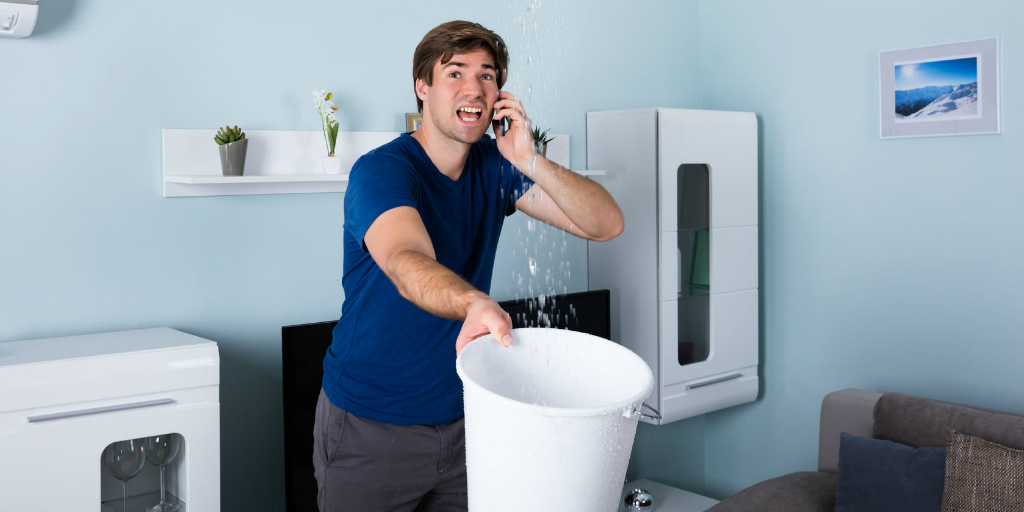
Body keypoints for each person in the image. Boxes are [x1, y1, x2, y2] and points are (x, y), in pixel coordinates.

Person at [311, 20, 624, 512]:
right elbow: (403, 259)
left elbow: (604, 223)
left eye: (487, 75)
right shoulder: (383, 170)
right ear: (423, 87)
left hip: (467, 421)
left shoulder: (497, 168)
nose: (474, 87)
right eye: (455, 73)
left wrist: (528, 158)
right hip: (370, 429)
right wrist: (474, 301)